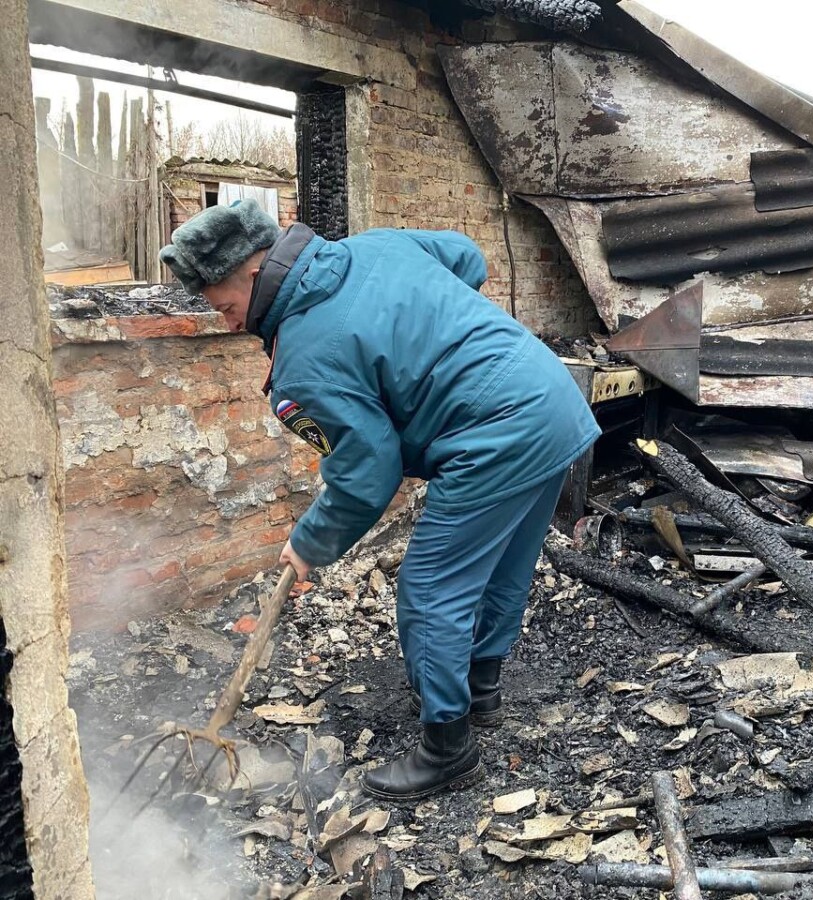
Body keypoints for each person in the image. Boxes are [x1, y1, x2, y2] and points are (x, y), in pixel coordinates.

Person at [160, 200, 600, 801]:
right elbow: (467, 258)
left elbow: (368, 472)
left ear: (252, 274)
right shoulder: (378, 246)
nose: (233, 324)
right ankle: (482, 690)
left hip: (493, 433)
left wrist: (310, 541)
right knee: (503, 563)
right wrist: (433, 326)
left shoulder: (304, 363)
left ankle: (448, 749)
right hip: (551, 396)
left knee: (431, 587)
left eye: (226, 307)